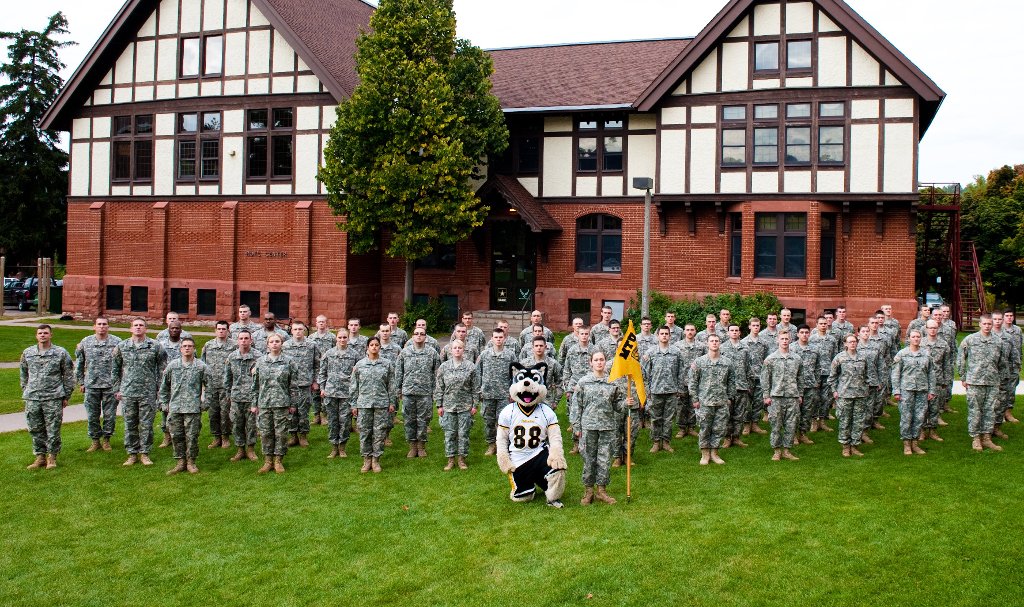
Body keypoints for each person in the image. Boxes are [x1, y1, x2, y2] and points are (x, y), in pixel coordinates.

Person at [570, 351, 630, 505]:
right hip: (588, 427)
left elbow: (617, 405)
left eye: (601, 359)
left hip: (607, 427)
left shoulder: (612, 382)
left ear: (605, 362)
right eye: (596, 360)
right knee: (589, 459)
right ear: (591, 362)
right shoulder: (584, 382)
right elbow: (576, 406)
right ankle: (588, 491)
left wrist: (626, 403)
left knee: (604, 459)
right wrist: (576, 426)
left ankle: (601, 491)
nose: (599, 362)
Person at [113, 318, 168, 466]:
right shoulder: (122, 346)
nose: (138, 328)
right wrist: (117, 389)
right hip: (128, 391)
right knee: (130, 423)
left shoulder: (155, 346)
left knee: (146, 424)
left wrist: (159, 389)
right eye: (135, 325)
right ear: (131, 329)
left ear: (146, 328)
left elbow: (162, 369)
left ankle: (144, 453)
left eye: (141, 325)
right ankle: (131, 453)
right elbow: (115, 369)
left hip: (148, 392)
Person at [21, 325, 75, 470]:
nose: (43, 335)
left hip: (53, 397)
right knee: (35, 428)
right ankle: (40, 456)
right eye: (40, 333)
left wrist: (66, 395)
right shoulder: (28, 352)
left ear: (51, 335)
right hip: (33, 397)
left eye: (45, 333)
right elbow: (24, 373)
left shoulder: (60, 352)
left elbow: (68, 375)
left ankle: (52, 457)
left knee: (53, 428)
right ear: (36, 335)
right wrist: (25, 390)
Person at [159, 338, 211, 475]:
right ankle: (180, 461)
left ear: (194, 349)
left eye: (190, 346)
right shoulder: (173, 366)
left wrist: (205, 403)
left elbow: (210, 387)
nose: (187, 348)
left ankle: (191, 462)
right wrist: (164, 403)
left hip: (193, 409)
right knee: (176, 436)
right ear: (180, 349)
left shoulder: (201, 367)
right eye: (184, 346)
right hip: (175, 408)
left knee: (192, 436)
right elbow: (164, 387)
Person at [957, 314, 1007, 452]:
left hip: (992, 382)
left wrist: (1001, 379)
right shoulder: (970, 339)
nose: (987, 326)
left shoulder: (998, 341)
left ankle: (986, 437)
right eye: (984, 324)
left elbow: (1003, 363)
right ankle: (976, 438)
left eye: (989, 324)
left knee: (990, 411)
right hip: (974, 382)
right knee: (975, 411)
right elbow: (961, 358)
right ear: (980, 324)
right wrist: (963, 377)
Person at [74, 316, 121, 452]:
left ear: (108, 326)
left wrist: (119, 385)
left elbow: (122, 365)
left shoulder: (117, 342)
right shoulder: (86, 342)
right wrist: (81, 382)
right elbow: (80, 363)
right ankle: (95, 441)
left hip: (110, 385)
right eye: (99, 324)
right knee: (92, 415)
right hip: (91, 384)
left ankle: (106, 439)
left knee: (109, 415)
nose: (102, 327)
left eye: (104, 324)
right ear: (94, 327)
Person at [253, 333, 298, 474]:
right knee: (265, 432)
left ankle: (278, 460)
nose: (274, 344)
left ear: (282, 343)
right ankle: (268, 461)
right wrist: (254, 404)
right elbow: (255, 385)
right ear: (267, 344)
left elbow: (294, 385)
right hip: (264, 403)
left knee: (281, 433)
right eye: (271, 341)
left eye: (277, 341)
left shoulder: (289, 362)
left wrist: (293, 404)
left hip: (282, 403)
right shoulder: (260, 362)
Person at [828, 332, 879, 457]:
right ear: (845, 344)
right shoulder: (839, 358)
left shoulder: (862, 357)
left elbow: (867, 375)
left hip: (861, 394)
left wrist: (867, 386)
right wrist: (834, 391)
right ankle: (845, 446)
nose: (852, 344)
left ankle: (855, 445)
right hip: (844, 394)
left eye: (854, 341)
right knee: (845, 421)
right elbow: (832, 377)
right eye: (850, 342)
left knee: (858, 421)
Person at [350, 337, 396, 473]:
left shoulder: (387, 364)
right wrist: (354, 404)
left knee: (379, 432)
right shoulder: (359, 365)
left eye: (377, 345)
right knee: (365, 432)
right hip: (364, 404)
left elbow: (391, 385)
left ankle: (376, 460)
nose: (374, 347)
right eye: (372, 345)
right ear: (367, 347)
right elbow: (354, 386)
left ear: (380, 347)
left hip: (381, 403)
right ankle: (366, 459)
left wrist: (392, 402)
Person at [689, 334, 735, 465]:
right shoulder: (699, 362)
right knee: (705, 428)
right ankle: (705, 454)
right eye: (712, 341)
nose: (714, 343)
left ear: (720, 343)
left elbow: (732, 381)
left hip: (721, 402)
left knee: (719, 428)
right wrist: (695, 399)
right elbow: (692, 382)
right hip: (705, 402)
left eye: (716, 341)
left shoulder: (727, 362)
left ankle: (714, 453)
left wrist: (729, 397)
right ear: (707, 343)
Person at [435, 339, 480, 470]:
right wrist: (439, 405)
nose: (457, 350)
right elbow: (439, 387)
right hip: (448, 406)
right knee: (449, 434)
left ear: (463, 350)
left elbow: (475, 387)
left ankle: (461, 459)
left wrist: (474, 405)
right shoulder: (444, 367)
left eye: (460, 348)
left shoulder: (470, 366)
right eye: (455, 348)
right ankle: (450, 459)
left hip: (465, 406)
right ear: (451, 350)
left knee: (463, 434)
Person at [396, 326, 440, 458]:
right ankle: (412, 446)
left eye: (422, 334)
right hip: (408, 392)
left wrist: (435, 391)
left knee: (423, 420)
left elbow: (438, 374)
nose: (419, 336)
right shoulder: (405, 352)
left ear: (425, 337)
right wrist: (398, 390)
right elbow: (399, 372)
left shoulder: (432, 353)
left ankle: (421, 447)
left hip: (425, 392)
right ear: (412, 336)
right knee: (409, 420)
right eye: (416, 334)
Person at [760, 331, 804, 461]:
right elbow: (764, 379)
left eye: (787, 339)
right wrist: (766, 396)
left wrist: (800, 394)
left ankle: (787, 450)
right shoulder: (770, 359)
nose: (784, 341)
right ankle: (777, 451)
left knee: (791, 425)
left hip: (792, 396)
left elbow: (800, 378)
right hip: (776, 397)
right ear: (777, 340)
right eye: (782, 339)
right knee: (776, 425)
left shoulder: (797, 358)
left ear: (790, 340)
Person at [318, 328, 361, 459]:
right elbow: (322, 372)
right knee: (332, 421)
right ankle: (334, 447)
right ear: (336, 338)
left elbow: (358, 375)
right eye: (340, 337)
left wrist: (356, 392)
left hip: (347, 393)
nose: (342, 340)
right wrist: (322, 388)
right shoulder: (329, 354)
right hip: (331, 393)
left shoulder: (354, 355)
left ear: (348, 339)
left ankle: (342, 447)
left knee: (345, 422)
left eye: (344, 337)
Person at [891, 329, 936, 456]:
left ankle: (915, 443)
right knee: (906, 417)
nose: (916, 339)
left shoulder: (926, 354)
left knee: (919, 417)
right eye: (913, 337)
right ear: (909, 338)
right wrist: (896, 391)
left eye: (918, 337)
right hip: (906, 391)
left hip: (922, 390)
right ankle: (906, 444)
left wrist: (931, 390)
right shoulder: (902, 354)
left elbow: (931, 373)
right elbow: (895, 374)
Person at [642, 326, 685, 454]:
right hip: (655, 391)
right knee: (655, 418)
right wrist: (647, 391)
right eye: (662, 333)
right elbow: (644, 373)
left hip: (672, 390)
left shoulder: (676, 352)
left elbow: (681, 372)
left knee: (668, 418)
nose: (664, 335)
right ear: (658, 336)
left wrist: (679, 388)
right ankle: (656, 442)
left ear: (670, 336)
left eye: (667, 333)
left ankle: (666, 442)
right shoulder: (650, 353)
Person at [478, 328, 517, 456]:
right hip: (487, 394)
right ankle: (491, 445)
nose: (498, 339)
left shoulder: (510, 355)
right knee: (488, 421)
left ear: (504, 338)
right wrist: (479, 391)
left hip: (504, 395)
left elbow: (515, 375)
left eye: (501, 337)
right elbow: (478, 373)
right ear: (492, 338)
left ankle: (503, 445)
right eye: (496, 337)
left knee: (503, 422)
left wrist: (512, 393)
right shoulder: (484, 354)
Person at [282, 320, 320, 448]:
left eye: (300, 329)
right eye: (295, 329)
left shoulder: (312, 345)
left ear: (304, 330)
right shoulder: (285, 345)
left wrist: (315, 381)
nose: (298, 331)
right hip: (289, 385)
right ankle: (293, 436)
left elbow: (317, 365)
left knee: (303, 411)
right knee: (291, 411)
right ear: (291, 331)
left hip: (305, 384)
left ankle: (303, 436)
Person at [224, 329, 259, 462]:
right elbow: (227, 377)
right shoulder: (232, 357)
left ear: (251, 340)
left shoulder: (258, 357)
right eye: (241, 338)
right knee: (237, 424)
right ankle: (240, 450)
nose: (243, 341)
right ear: (237, 340)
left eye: (246, 338)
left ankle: (250, 449)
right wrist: (228, 393)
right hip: (236, 397)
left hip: (252, 397)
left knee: (251, 425)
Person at [201, 320, 236, 449]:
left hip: (226, 386)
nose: (221, 331)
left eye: (224, 329)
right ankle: (216, 437)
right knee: (213, 413)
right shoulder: (208, 345)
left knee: (225, 413)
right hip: (211, 385)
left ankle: (226, 437)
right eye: (219, 329)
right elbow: (203, 364)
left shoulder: (234, 346)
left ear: (228, 331)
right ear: (215, 330)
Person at [720, 324, 754, 448]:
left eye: (736, 330)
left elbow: (749, 368)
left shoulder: (745, 348)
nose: (734, 332)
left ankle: (737, 437)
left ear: (739, 333)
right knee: (727, 414)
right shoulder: (722, 348)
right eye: (732, 330)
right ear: (728, 333)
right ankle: (727, 438)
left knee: (739, 414)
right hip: (727, 388)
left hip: (742, 386)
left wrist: (749, 385)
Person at [791, 324, 822, 446]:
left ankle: (803, 433)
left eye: (806, 332)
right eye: (802, 332)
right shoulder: (791, 349)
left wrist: (816, 381)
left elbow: (818, 368)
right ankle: (792, 435)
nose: (804, 335)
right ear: (797, 334)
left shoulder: (815, 349)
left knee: (807, 411)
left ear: (809, 334)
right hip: (794, 386)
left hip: (810, 385)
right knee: (794, 412)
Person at [673, 323, 706, 439]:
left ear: (695, 331)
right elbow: (674, 364)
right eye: (687, 330)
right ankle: (682, 428)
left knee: (694, 404)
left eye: (692, 330)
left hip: (696, 380)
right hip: (681, 379)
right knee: (681, 405)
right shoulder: (677, 346)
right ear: (684, 332)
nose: (690, 332)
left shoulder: (702, 346)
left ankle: (691, 427)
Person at [156, 321, 184, 447]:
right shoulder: (161, 345)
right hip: (165, 383)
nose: (174, 330)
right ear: (168, 330)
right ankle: (166, 436)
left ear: (181, 330)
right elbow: (156, 364)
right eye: (172, 328)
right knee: (165, 410)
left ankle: (179, 437)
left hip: (181, 384)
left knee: (180, 411)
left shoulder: (185, 346)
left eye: (177, 328)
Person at [808, 316, 838, 431]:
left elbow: (835, 357)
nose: (823, 325)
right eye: (821, 323)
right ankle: (813, 421)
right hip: (815, 373)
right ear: (816, 325)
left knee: (826, 399)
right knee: (814, 398)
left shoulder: (832, 340)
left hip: (828, 373)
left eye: (825, 323)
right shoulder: (811, 339)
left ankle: (822, 421)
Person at [741, 317, 769, 435]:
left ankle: (755, 423)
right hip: (748, 377)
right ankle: (747, 424)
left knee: (758, 402)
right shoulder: (743, 343)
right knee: (747, 402)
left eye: (758, 326)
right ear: (749, 327)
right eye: (754, 325)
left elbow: (766, 360)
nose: (756, 328)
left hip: (760, 377)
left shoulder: (764, 343)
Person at [309, 315, 336, 426]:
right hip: (315, 368)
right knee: (315, 393)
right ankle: (316, 416)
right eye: (319, 322)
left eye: (323, 322)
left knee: (325, 393)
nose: (321, 323)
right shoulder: (311, 338)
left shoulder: (332, 337)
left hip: (328, 369)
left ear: (326, 323)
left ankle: (324, 415)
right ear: (316, 323)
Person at [1001, 309, 1022, 423]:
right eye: (1007, 316)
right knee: (1002, 389)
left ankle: (1008, 412)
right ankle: (1000, 413)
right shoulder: (999, 330)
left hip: (1014, 364)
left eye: (1011, 316)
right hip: (1003, 364)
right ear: (1003, 317)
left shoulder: (1017, 330)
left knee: (1012, 389)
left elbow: (1019, 349)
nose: (1009, 318)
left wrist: (1019, 362)